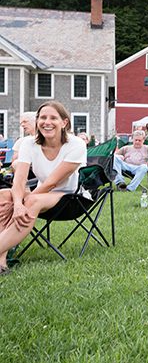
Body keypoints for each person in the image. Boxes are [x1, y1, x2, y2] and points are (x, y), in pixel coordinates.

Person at [0, 101, 87, 275]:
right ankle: (2, 263)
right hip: (40, 194)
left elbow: (51, 183)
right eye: (42, 117)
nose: (47, 122)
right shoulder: (28, 143)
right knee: (3, 195)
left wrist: (22, 202)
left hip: (70, 198)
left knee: (31, 200)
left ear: (64, 123)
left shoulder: (76, 144)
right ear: (37, 121)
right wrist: (17, 203)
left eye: (53, 118)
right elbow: (20, 179)